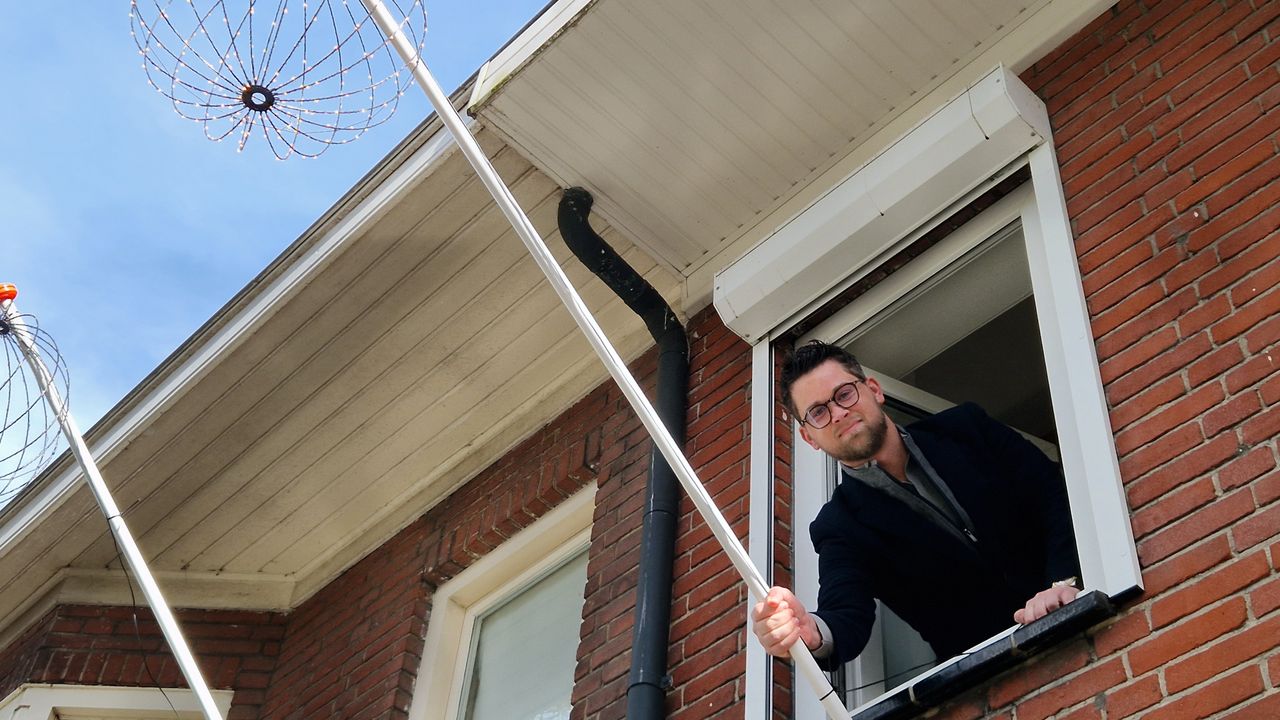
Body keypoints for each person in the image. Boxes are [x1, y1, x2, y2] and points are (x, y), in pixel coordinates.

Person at [752, 341, 1081, 668]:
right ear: (809, 438)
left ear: (874, 390)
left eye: (844, 394)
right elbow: (846, 613)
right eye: (818, 412)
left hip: (1082, 606)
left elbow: (1052, 492)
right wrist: (811, 631)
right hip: (994, 675)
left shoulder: (967, 428)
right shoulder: (839, 526)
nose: (838, 413)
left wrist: (1061, 582)